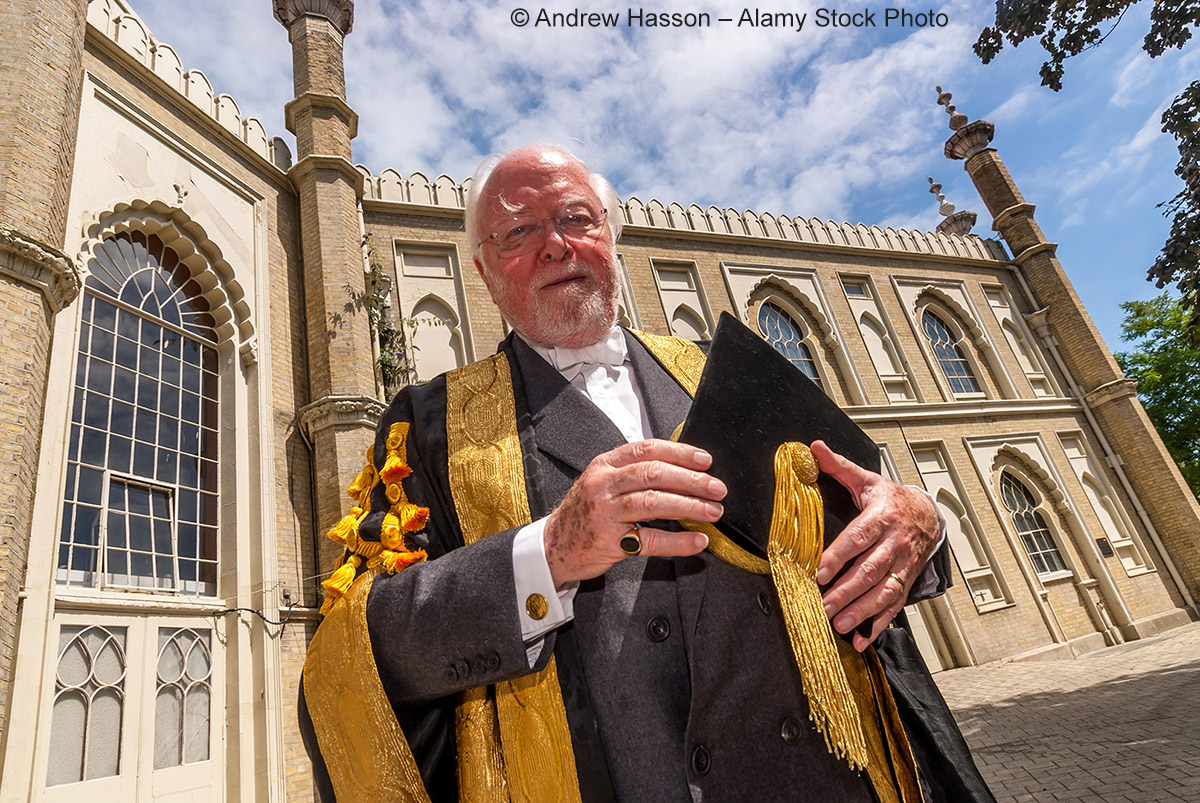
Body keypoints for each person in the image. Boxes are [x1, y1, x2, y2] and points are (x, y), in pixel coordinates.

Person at [301, 145, 994, 802]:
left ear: (611, 233)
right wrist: (549, 552)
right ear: (482, 271)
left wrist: (922, 525)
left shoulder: (726, 371)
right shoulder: (428, 427)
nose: (555, 243)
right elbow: (360, 646)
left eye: (576, 218)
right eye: (518, 232)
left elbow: (861, 516)